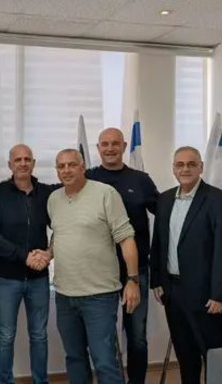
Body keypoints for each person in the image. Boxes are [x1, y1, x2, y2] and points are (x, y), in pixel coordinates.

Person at [48, 148, 141, 384]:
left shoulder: (105, 193)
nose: (66, 170)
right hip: (64, 295)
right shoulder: (54, 199)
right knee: (75, 358)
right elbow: (60, 233)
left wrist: (133, 280)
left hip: (99, 296)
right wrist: (48, 253)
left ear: (82, 167)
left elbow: (126, 238)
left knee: (105, 361)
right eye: (61, 166)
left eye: (72, 165)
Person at [150, 146, 222, 384]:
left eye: (191, 164)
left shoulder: (219, 200)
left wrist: (219, 295)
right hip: (173, 292)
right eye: (180, 165)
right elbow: (158, 243)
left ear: (201, 167)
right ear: (173, 169)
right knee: (185, 356)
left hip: (207, 296)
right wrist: (156, 279)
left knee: (214, 357)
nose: (185, 169)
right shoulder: (165, 200)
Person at [86, 128, 159, 384]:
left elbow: (166, 215)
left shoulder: (141, 180)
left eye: (115, 143)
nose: (110, 148)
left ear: (124, 146)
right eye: (105, 144)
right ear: (98, 148)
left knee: (136, 335)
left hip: (135, 272)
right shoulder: (87, 178)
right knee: (103, 336)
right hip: (100, 271)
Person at [0, 144, 56, 384]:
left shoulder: (46, 193)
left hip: (39, 278)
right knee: (5, 335)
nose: (23, 163)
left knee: (39, 335)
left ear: (33, 163)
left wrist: (48, 254)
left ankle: (40, 381)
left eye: (27, 159)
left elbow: (63, 226)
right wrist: (23, 256)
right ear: (10, 165)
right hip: (7, 278)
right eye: (18, 160)